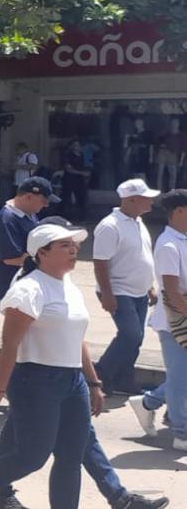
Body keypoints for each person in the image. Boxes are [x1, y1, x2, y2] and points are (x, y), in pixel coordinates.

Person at [0, 222, 103, 509]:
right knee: (32, 456)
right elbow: (10, 344)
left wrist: (93, 382)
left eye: (74, 245)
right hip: (36, 380)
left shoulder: (69, 286)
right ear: (42, 254)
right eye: (64, 245)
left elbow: (76, 339)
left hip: (72, 381)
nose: (73, 250)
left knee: (71, 457)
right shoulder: (28, 290)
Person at [93, 179, 159, 396]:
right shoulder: (110, 226)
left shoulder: (137, 222)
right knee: (130, 335)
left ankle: (123, 377)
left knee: (136, 338)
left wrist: (149, 285)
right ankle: (99, 374)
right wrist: (107, 294)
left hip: (138, 291)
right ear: (132, 200)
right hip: (119, 290)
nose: (151, 201)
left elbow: (141, 256)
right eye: (146, 197)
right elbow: (101, 262)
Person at [136, 189, 187, 452]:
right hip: (174, 322)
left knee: (182, 377)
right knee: (180, 378)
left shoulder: (183, 240)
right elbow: (171, 291)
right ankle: (182, 434)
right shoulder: (169, 244)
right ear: (179, 211)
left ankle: (148, 403)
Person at [0, 177, 52, 302]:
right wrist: (49, 260)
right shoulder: (6, 219)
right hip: (13, 290)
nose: (46, 205)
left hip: (30, 285)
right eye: (43, 200)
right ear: (29, 197)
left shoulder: (29, 213)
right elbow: (11, 259)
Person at [62, 140, 91, 221]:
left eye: (78, 145)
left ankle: (82, 217)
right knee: (65, 198)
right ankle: (61, 215)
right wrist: (82, 173)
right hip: (69, 180)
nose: (76, 147)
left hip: (79, 181)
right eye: (74, 145)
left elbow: (86, 168)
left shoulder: (82, 155)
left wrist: (86, 175)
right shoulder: (68, 156)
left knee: (81, 198)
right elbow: (68, 169)